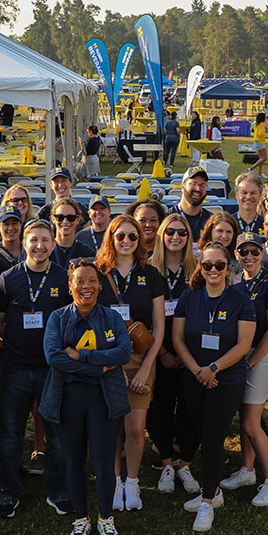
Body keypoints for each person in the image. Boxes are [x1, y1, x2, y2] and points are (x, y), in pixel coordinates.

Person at [37, 258, 131, 535]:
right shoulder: (58, 318)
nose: (86, 286)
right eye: (80, 281)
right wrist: (97, 366)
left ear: (99, 285)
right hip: (69, 398)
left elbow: (124, 352)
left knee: (104, 465)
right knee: (73, 462)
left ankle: (105, 518)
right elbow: (54, 357)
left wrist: (83, 356)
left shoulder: (112, 318)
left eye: (92, 280)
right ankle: (81, 518)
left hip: (103, 399)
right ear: (70, 286)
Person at [0, 219, 72, 518]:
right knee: (11, 435)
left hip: (52, 369)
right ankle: (9, 492)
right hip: (14, 368)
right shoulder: (7, 279)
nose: (39, 246)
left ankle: (57, 490)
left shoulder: (64, 279)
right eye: (33, 239)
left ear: (53, 244)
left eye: (45, 240)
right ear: (23, 243)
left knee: (57, 434)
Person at [172, 243, 255, 531]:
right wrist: (198, 370)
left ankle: (207, 501)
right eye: (207, 265)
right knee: (198, 431)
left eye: (220, 265)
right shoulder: (188, 297)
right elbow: (178, 339)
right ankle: (214, 492)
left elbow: (244, 344)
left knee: (213, 438)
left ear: (229, 268)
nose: (214, 270)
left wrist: (214, 369)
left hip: (226, 379)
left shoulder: (241, 300)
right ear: (200, 268)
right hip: (194, 376)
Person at [96, 214, 166, 512]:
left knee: (136, 428)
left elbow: (159, 327)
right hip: (106, 358)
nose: (125, 241)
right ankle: (114, 481)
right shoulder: (97, 273)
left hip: (141, 358)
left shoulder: (151, 276)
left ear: (140, 241)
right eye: (120, 235)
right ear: (110, 237)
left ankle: (133, 481)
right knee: (112, 426)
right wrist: (110, 365)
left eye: (132, 236)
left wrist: (148, 366)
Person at [218, 233, 268, 505]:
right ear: (236, 254)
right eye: (243, 252)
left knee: (250, 421)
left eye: (254, 252)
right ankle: (247, 470)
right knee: (245, 414)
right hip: (240, 355)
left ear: (263, 253)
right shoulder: (235, 283)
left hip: (262, 355)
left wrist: (253, 360)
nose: (249, 257)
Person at [147, 214, 201, 494]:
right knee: (160, 409)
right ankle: (167, 462)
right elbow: (145, 317)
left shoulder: (198, 270)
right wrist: (164, 353)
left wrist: (186, 355)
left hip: (192, 354)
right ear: (162, 236)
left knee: (191, 410)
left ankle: (186, 464)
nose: (176, 237)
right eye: (170, 232)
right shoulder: (150, 271)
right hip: (159, 352)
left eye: (182, 232)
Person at [47, 197, 94, 268]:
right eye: (60, 217)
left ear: (77, 219)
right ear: (53, 219)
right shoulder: (45, 250)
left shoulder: (87, 253)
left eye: (70, 218)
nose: (65, 222)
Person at [171, 167, 213, 243]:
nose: (198, 189)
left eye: (202, 185)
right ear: (182, 186)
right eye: (193, 183)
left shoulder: (211, 221)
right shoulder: (167, 217)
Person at [249, 112, 268, 177]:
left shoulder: (258, 124)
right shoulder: (262, 124)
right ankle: (251, 168)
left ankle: (260, 173)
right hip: (260, 142)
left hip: (257, 142)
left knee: (261, 158)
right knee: (264, 158)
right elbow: (260, 134)